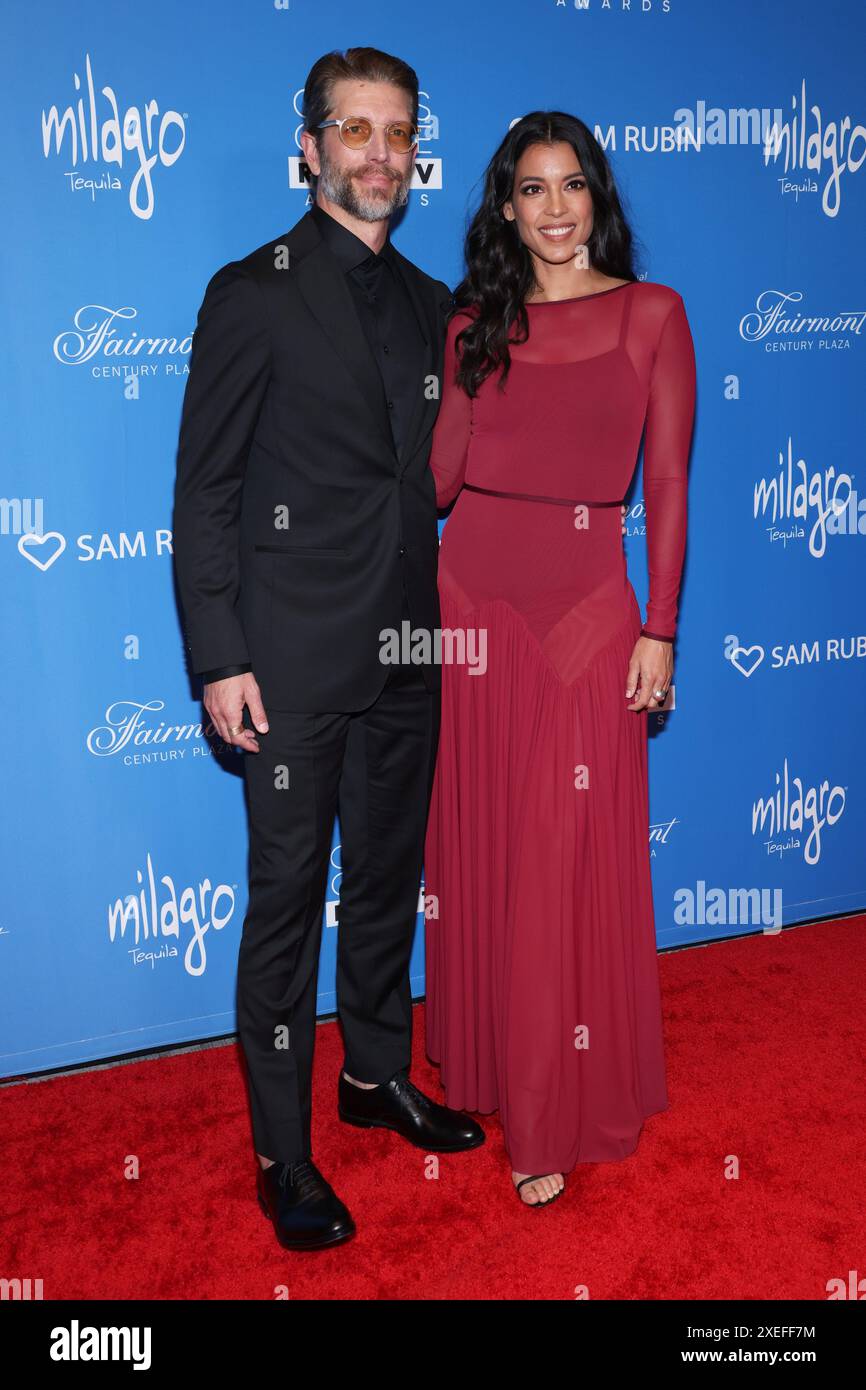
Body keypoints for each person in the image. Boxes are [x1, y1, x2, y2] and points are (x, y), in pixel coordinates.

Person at [172, 46, 484, 1253]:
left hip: (407, 648)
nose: (376, 153)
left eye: (396, 132)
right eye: (352, 129)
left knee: (387, 885)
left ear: (416, 150)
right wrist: (219, 654)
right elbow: (204, 493)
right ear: (309, 147)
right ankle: (281, 1152)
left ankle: (372, 1077)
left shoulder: (428, 305)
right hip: (289, 663)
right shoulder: (249, 291)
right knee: (286, 907)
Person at [423, 111, 696, 1208]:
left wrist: (658, 626)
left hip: (588, 611)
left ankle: (545, 1113)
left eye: (569, 185)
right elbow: (438, 485)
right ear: (501, 208)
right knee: (483, 853)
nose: (551, 208)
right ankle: (491, 1066)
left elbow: (667, 484)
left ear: (597, 198)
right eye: (528, 189)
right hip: (467, 602)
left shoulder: (651, 315)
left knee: (552, 856)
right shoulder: (468, 325)